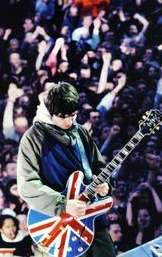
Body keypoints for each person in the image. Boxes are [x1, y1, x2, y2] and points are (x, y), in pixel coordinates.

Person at [17, 82, 116, 257]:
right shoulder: (33, 137)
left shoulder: (80, 132)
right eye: (63, 116)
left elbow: (99, 167)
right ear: (50, 112)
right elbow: (27, 185)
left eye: (73, 115)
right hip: (57, 222)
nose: (70, 121)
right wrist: (62, 204)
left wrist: (105, 185)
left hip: (91, 216)